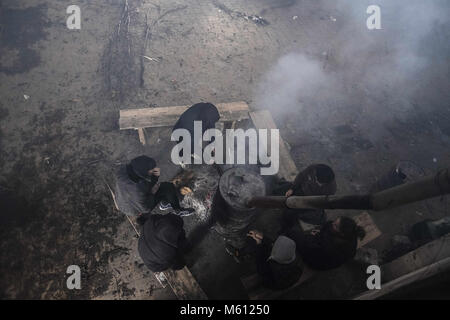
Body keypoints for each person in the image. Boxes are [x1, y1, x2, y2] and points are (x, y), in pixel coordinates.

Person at [114, 155, 194, 219]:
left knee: (158, 189)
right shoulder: (141, 188)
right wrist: (154, 183)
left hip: (121, 204)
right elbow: (145, 208)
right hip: (138, 208)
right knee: (167, 187)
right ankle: (177, 210)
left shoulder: (122, 171)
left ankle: (164, 202)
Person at [285, 216, 366, 271]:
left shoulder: (328, 246)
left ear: (341, 234)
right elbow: (327, 225)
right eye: (335, 221)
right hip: (323, 253)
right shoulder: (351, 236)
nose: (332, 223)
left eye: (335, 226)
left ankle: (285, 233)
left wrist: (313, 237)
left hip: (316, 263)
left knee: (294, 234)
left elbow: (310, 246)